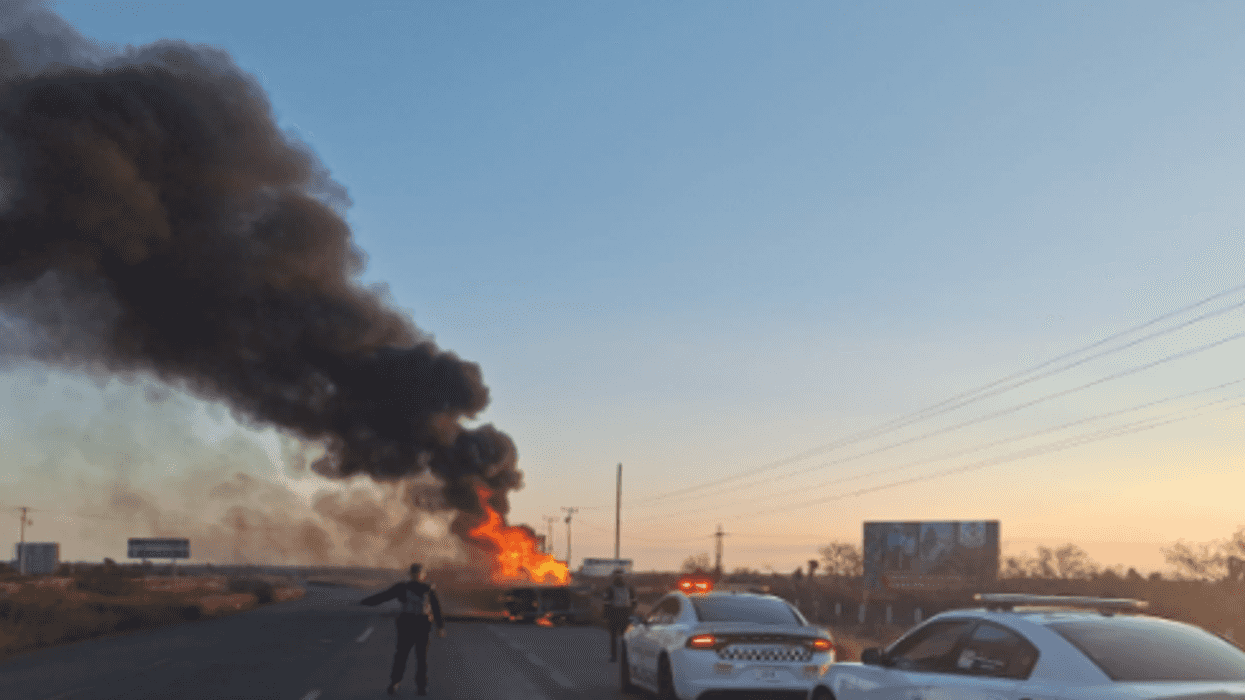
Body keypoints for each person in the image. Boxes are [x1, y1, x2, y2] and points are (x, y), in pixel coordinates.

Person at [361, 563, 446, 696]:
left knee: (408, 656)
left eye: (416, 573)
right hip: (416, 625)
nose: (417, 575)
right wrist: (440, 627)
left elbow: (384, 596)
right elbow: (436, 609)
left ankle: (404, 684)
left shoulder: (411, 588)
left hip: (412, 624)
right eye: (417, 573)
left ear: (414, 574)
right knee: (413, 657)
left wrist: (365, 602)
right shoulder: (425, 588)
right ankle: (412, 686)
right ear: (421, 575)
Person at [602, 569, 636, 662]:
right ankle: (626, 656)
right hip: (626, 614)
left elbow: (607, 604)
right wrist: (631, 612)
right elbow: (634, 602)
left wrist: (605, 616)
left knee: (613, 636)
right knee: (625, 636)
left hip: (614, 614)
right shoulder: (629, 588)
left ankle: (614, 656)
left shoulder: (610, 589)